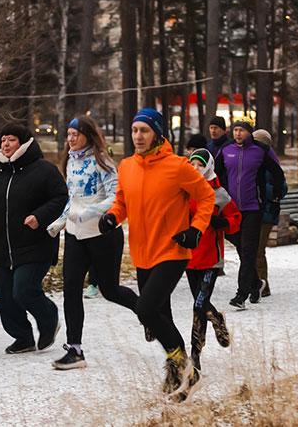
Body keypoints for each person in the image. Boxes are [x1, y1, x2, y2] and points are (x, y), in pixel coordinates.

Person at [99, 108, 215, 401]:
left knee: (146, 309)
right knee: (161, 313)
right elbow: (122, 201)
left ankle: (186, 367)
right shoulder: (126, 166)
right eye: (134, 130)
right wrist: (113, 216)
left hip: (173, 249)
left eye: (144, 131)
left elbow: (206, 197)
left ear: (157, 134)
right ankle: (176, 373)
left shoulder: (177, 166)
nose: (138, 136)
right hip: (141, 252)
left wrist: (196, 229)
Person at [46, 116, 139, 370]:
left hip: (103, 234)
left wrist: (88, 213)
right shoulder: (70, 162)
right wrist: (60, 221)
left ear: (88, 135)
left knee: (110, 290)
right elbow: (72, 199)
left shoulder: (103, 162)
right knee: (71, 290)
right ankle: (75, 350)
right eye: (69, 134)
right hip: (75, 235)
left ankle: (147, 314)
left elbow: (115, 198)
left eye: (76, 134)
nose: (71, 139)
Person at [0, 123, 68, 354]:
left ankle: (49, 318)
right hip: (4, 248)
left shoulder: (44, 170)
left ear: (23, 143)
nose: (5, 144)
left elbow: (60, 198)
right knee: (4, 297)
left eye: (11, 139)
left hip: (36, 244)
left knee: (23, 290)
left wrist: (39, 216)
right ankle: (23, 337)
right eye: (3, 140)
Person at [214, 117, 285, 309]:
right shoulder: (226, 150)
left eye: (242, 130)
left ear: (249, 133)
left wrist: (276, 198)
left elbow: (278, 173)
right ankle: (256, 284)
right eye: (235, 130)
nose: (238, 133)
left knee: (247, 250)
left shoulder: (260, 150)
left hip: (253, 207)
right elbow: (214, 174)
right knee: (241, 248)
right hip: (232, 209)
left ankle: (241, 295)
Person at [185, 148, 239, 374]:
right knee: (200, 306)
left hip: (210, 259)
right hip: (189, 258)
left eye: (199, 165)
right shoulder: (185, 191)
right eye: (192, 165)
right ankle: (216, 319)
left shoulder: (219, 194)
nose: (195, 169)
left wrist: (223, 224)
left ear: (207, 166)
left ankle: (194, 354)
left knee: (199, 305)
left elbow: (236, 218)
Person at [251, 129, 287, 298]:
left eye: (258, 141)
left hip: (266, 212)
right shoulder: (252, 159)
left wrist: (263, 190)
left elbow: (283, 188)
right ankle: (253, 282)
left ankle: (263, 284)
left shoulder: (271, 161)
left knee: (258, 249)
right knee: (250, 249)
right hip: (251, 210)